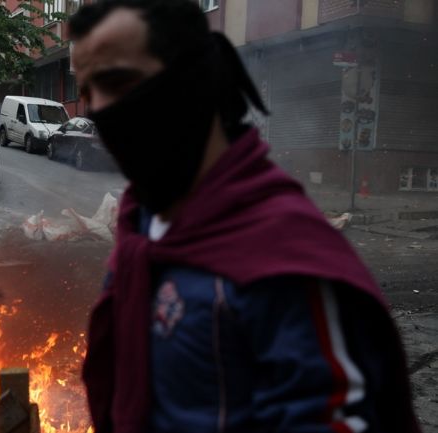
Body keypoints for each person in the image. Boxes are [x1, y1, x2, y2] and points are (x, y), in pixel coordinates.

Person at [69, 2, 420, 433]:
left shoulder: (283, 260)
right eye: (87, 91)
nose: (97, 108)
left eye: (118, 81)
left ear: (194, 80)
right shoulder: (140, 226)